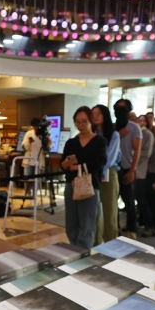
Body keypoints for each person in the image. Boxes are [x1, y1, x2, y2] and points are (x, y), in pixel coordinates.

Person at [61, 107, 107, 250]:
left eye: (84, 121)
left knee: (87, 224)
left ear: (91, 121)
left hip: (90, 186)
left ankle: (83, 254)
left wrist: (79, 166)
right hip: (71, 184)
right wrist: (67, 164)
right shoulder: (71, 143)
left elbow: (100, 163)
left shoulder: (99, 141)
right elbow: (63, 164)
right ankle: (74, 250)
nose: (80, 125)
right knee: (71, 223)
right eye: (77, 122)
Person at [114, 99, 142, 240]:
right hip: (113, 169)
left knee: (129, 202)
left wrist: (132, 171)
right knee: (113, 202)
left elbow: (137, 150)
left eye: (124, 109)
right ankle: (115, 229)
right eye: (118, 108)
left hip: (127, 168)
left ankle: (132, 230)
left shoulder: (134, 128)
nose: (120, 111)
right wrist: (117, 134)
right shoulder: (112, 127)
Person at [93, 104, 121, 243]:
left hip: (108, 173)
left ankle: (111, 246)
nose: (96, 116)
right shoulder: (91, 134)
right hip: (94, 174)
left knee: (110, 213)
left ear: (105, 115)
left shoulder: (113, 134)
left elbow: (110, 158)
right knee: (94, 212)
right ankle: (96, 244)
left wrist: (99, 171)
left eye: (99, 113)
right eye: (93, 114)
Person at [134, 114, 154, 229]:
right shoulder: (135, 132)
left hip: (141, 171)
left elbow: (146, 153)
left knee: (140, 198)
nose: (141, 123)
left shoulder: (148, 134)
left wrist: (135, 159)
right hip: (133, 169)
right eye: (139, 120)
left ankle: (148, 223)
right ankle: (140, 222)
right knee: (135, 197)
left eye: (143, 121)